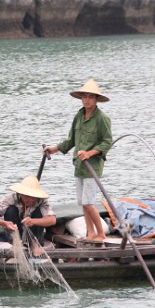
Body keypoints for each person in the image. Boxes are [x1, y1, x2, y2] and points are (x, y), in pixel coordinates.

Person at [44, 78, 112, 241]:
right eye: (84, 96)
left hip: (92, 166)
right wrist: (55, 148)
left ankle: (100, 234)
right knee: (83, 203)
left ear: (96, 99)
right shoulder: (79, 116)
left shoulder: (102, 118)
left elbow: (107, 142)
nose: (87, 100)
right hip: (79, 165)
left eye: (90, 97)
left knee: (89, 202)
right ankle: (90, 233)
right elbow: (71, 140)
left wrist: (90, 153)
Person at [0, 175, 57, 248]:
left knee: (38, 212)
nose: (30, 200)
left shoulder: (41, 201)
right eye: (27, 196)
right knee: (11, 210)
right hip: (15, 231)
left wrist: (33, 221)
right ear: (21, 194)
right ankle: (14, 242)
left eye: (33, 197)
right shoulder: (11, 198)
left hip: (35, 235)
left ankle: (34, 245)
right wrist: (5, 223)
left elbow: (52, 220)